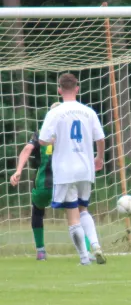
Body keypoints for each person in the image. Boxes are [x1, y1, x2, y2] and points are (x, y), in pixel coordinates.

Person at [10, 102, 95, 261]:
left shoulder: (41, 133)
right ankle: (87, 251)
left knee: (37, 211)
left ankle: (41, 250)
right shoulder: (69, 134)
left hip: (43, 184)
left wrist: (18, 170)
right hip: (66, 181)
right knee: (77, 213)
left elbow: (28, 149)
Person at [38, 73, 106, 265]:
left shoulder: (55, 112)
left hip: (65, 170)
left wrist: (53, 139)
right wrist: (99, 158)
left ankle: (85, 258)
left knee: (72, 213)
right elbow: (100, 139)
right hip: (86, 168)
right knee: (84, 209)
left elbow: (42, 140)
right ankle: (96, 245)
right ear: (77, 88)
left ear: (59, 89)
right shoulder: (88, 112)